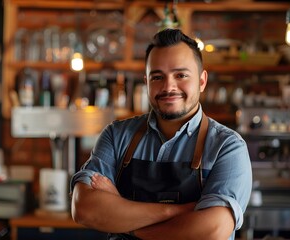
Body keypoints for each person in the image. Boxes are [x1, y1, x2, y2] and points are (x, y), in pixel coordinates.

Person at [70, 28, 252, 240]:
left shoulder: (227, 146)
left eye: (181, 75)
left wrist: (127, 223)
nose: (168, 87)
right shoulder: (117, 135)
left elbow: (213, 230)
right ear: (146, 82)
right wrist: (176, 211)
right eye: (157, 77)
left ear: (202, 81)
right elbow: (84, 208)